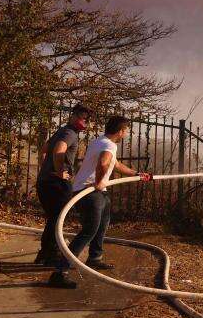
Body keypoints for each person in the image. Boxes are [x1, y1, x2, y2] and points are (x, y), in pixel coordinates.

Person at [49, 115, 151, 288]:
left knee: (103, 223)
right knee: (89, 230)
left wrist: (137, 174)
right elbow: (103, 164)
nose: (126, 133)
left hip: (95, 191)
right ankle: (60, 272)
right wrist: (98, 181)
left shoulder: (101, 141)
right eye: (126, 130)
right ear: (120, 131)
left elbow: (115, 165)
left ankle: (95, 257)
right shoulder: (108, 145)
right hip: (89, 191)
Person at [35, 105, 91, 268]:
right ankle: (51, 255)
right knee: (58, 219)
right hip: (57, 184)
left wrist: (45, 169)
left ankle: (44, 255)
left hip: (45, 181)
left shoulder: (62, 130)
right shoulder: (70, 133)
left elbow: (44, 150)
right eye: (81, 116)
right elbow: (59, 150)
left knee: (53, 219)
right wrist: (59, 171)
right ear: (73, 116)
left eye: (87, 119)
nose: (84, 121)